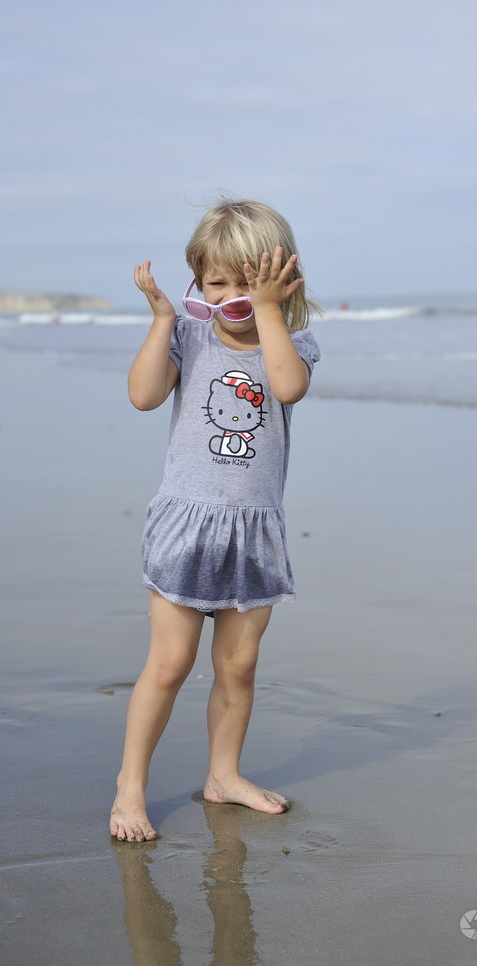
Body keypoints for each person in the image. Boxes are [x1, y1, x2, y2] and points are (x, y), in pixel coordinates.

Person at [110, 199, 321, 843]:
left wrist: (267, 312)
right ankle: (130, 789)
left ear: (283, 279)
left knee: (238, 666)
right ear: (196, 282)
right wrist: (162, 319)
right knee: (170, 664)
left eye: (247, 282)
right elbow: (144, 396)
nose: (232, 297)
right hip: (187, 524)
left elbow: (285, 387)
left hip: (254, 532)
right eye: (217, 283)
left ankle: (223, 775)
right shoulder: (188, 335)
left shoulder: (293, 340)